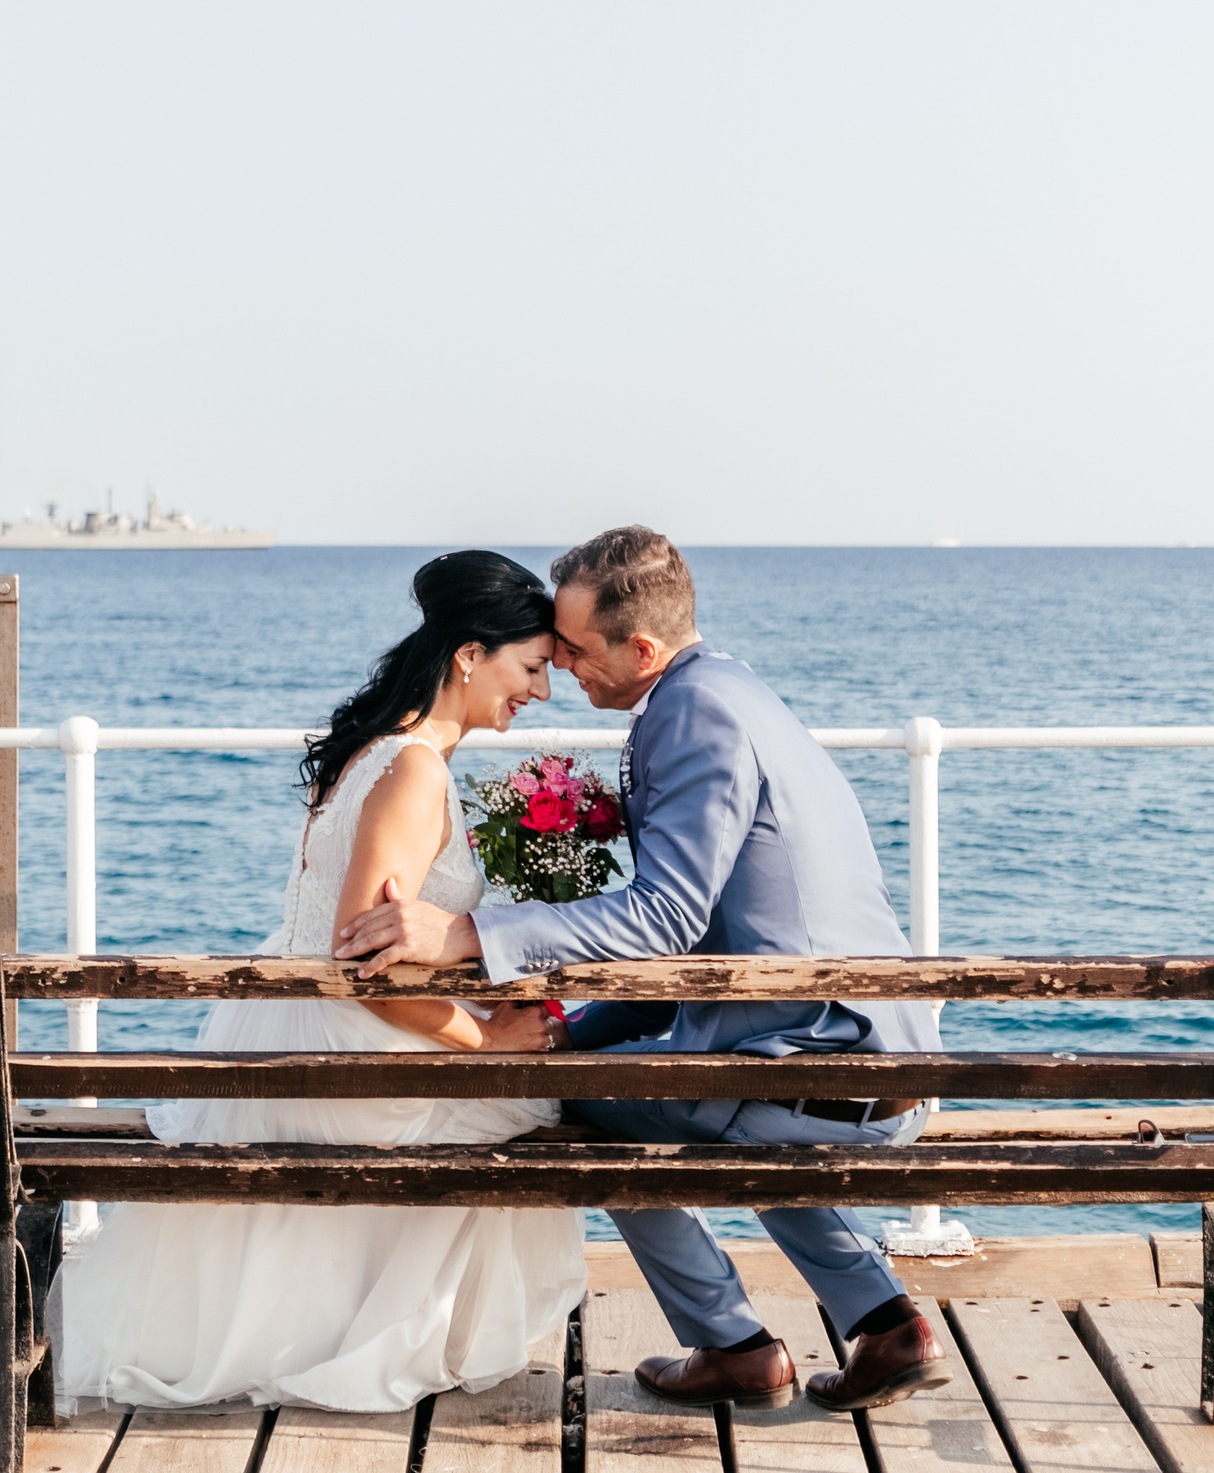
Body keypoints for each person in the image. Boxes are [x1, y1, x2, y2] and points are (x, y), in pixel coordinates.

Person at [0, 551, 584, 1415]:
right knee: (532, 1105)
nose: (541, 691)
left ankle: (337, 1318)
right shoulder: (417, 768)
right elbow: (364, 966)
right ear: (471, 654)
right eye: (533, 667)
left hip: (281, 1029)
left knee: (523, 1091)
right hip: (343, 1043)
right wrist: (483, 1034)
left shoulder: (370, 750)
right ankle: (381, 1333)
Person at [338, 525, 950, 1413]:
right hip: (865, 1053)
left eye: (577, 652)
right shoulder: (730, 689)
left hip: (820, 1070)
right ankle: (888, 1324)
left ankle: (731, 1343)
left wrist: (468, 933)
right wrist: (579, 1023)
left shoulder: (691, 715)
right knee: (662, 1087)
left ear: (645, 649)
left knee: (585, 1098)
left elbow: (665, 916)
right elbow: (691, 945)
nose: (564, 671)